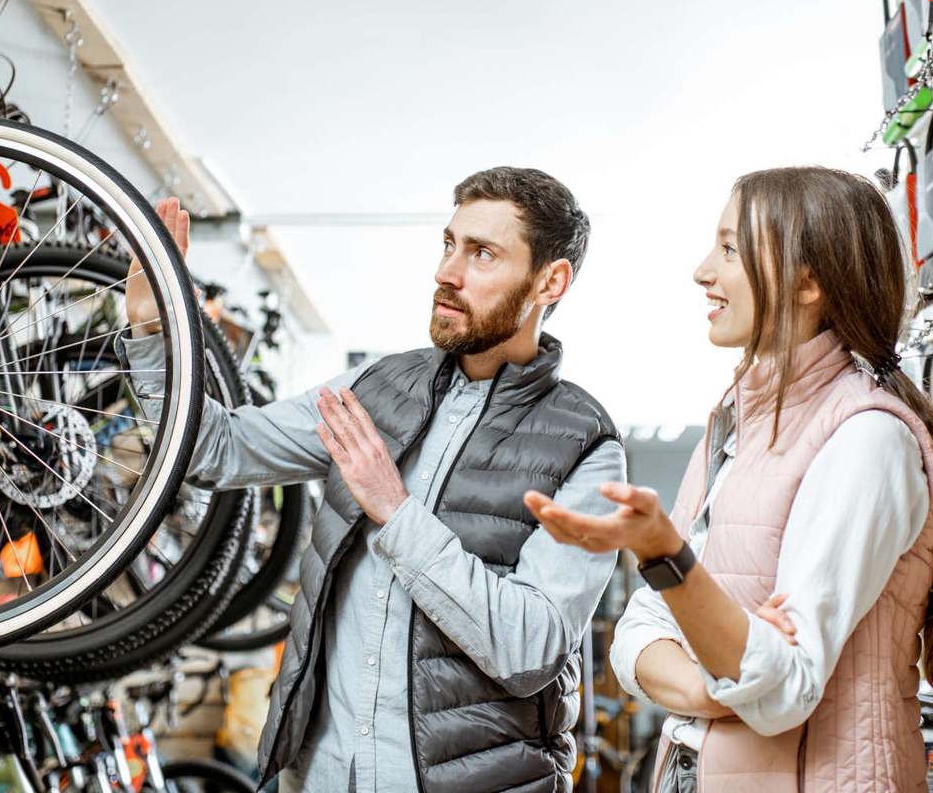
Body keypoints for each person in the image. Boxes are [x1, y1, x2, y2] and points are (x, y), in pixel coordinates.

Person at [121, 167, 626, 793]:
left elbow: (530, 650)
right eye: (449, 244)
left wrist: (397, 510)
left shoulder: (587, 447)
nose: (447, 271)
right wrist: (152, 329)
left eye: (483, 253)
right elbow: (215, 449)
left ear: (551, 281)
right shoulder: (374, 389)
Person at [525, 166, 933, 793]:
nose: (703, 270)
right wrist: (721, 684)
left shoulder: (868, 440)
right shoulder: (737, 423)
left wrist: (664, 556)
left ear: (807, 281)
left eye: (730, 248)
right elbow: (636, 639)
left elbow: (781, 688)